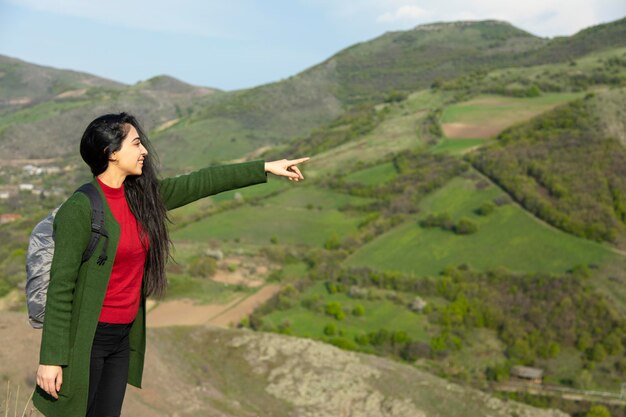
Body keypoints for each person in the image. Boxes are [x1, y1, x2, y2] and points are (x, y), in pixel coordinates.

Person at [32, 112, 309, 417]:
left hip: (122, 339)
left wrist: (266, 167)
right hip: (87, 339)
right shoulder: (80, 209)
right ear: (111, 153)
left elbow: (202, 182)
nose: (144, 151)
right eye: (136, 143)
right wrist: (51, 359)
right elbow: (61, 287)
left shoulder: (141, 198)